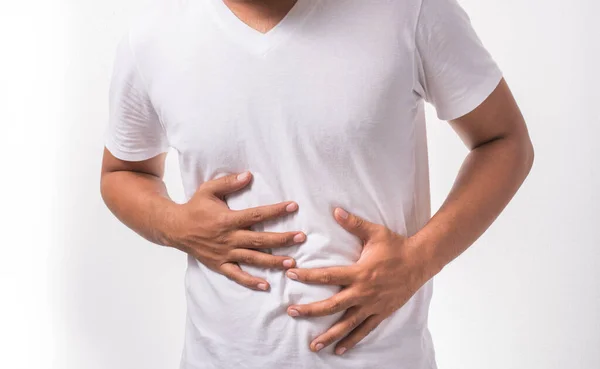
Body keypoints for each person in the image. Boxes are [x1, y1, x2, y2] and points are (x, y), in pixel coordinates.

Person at [100, 0, 534, 367]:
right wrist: (173, 224)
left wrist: (420, 259)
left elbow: (504, 141)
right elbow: (123, 172)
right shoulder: (153, 38)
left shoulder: (409, 9)